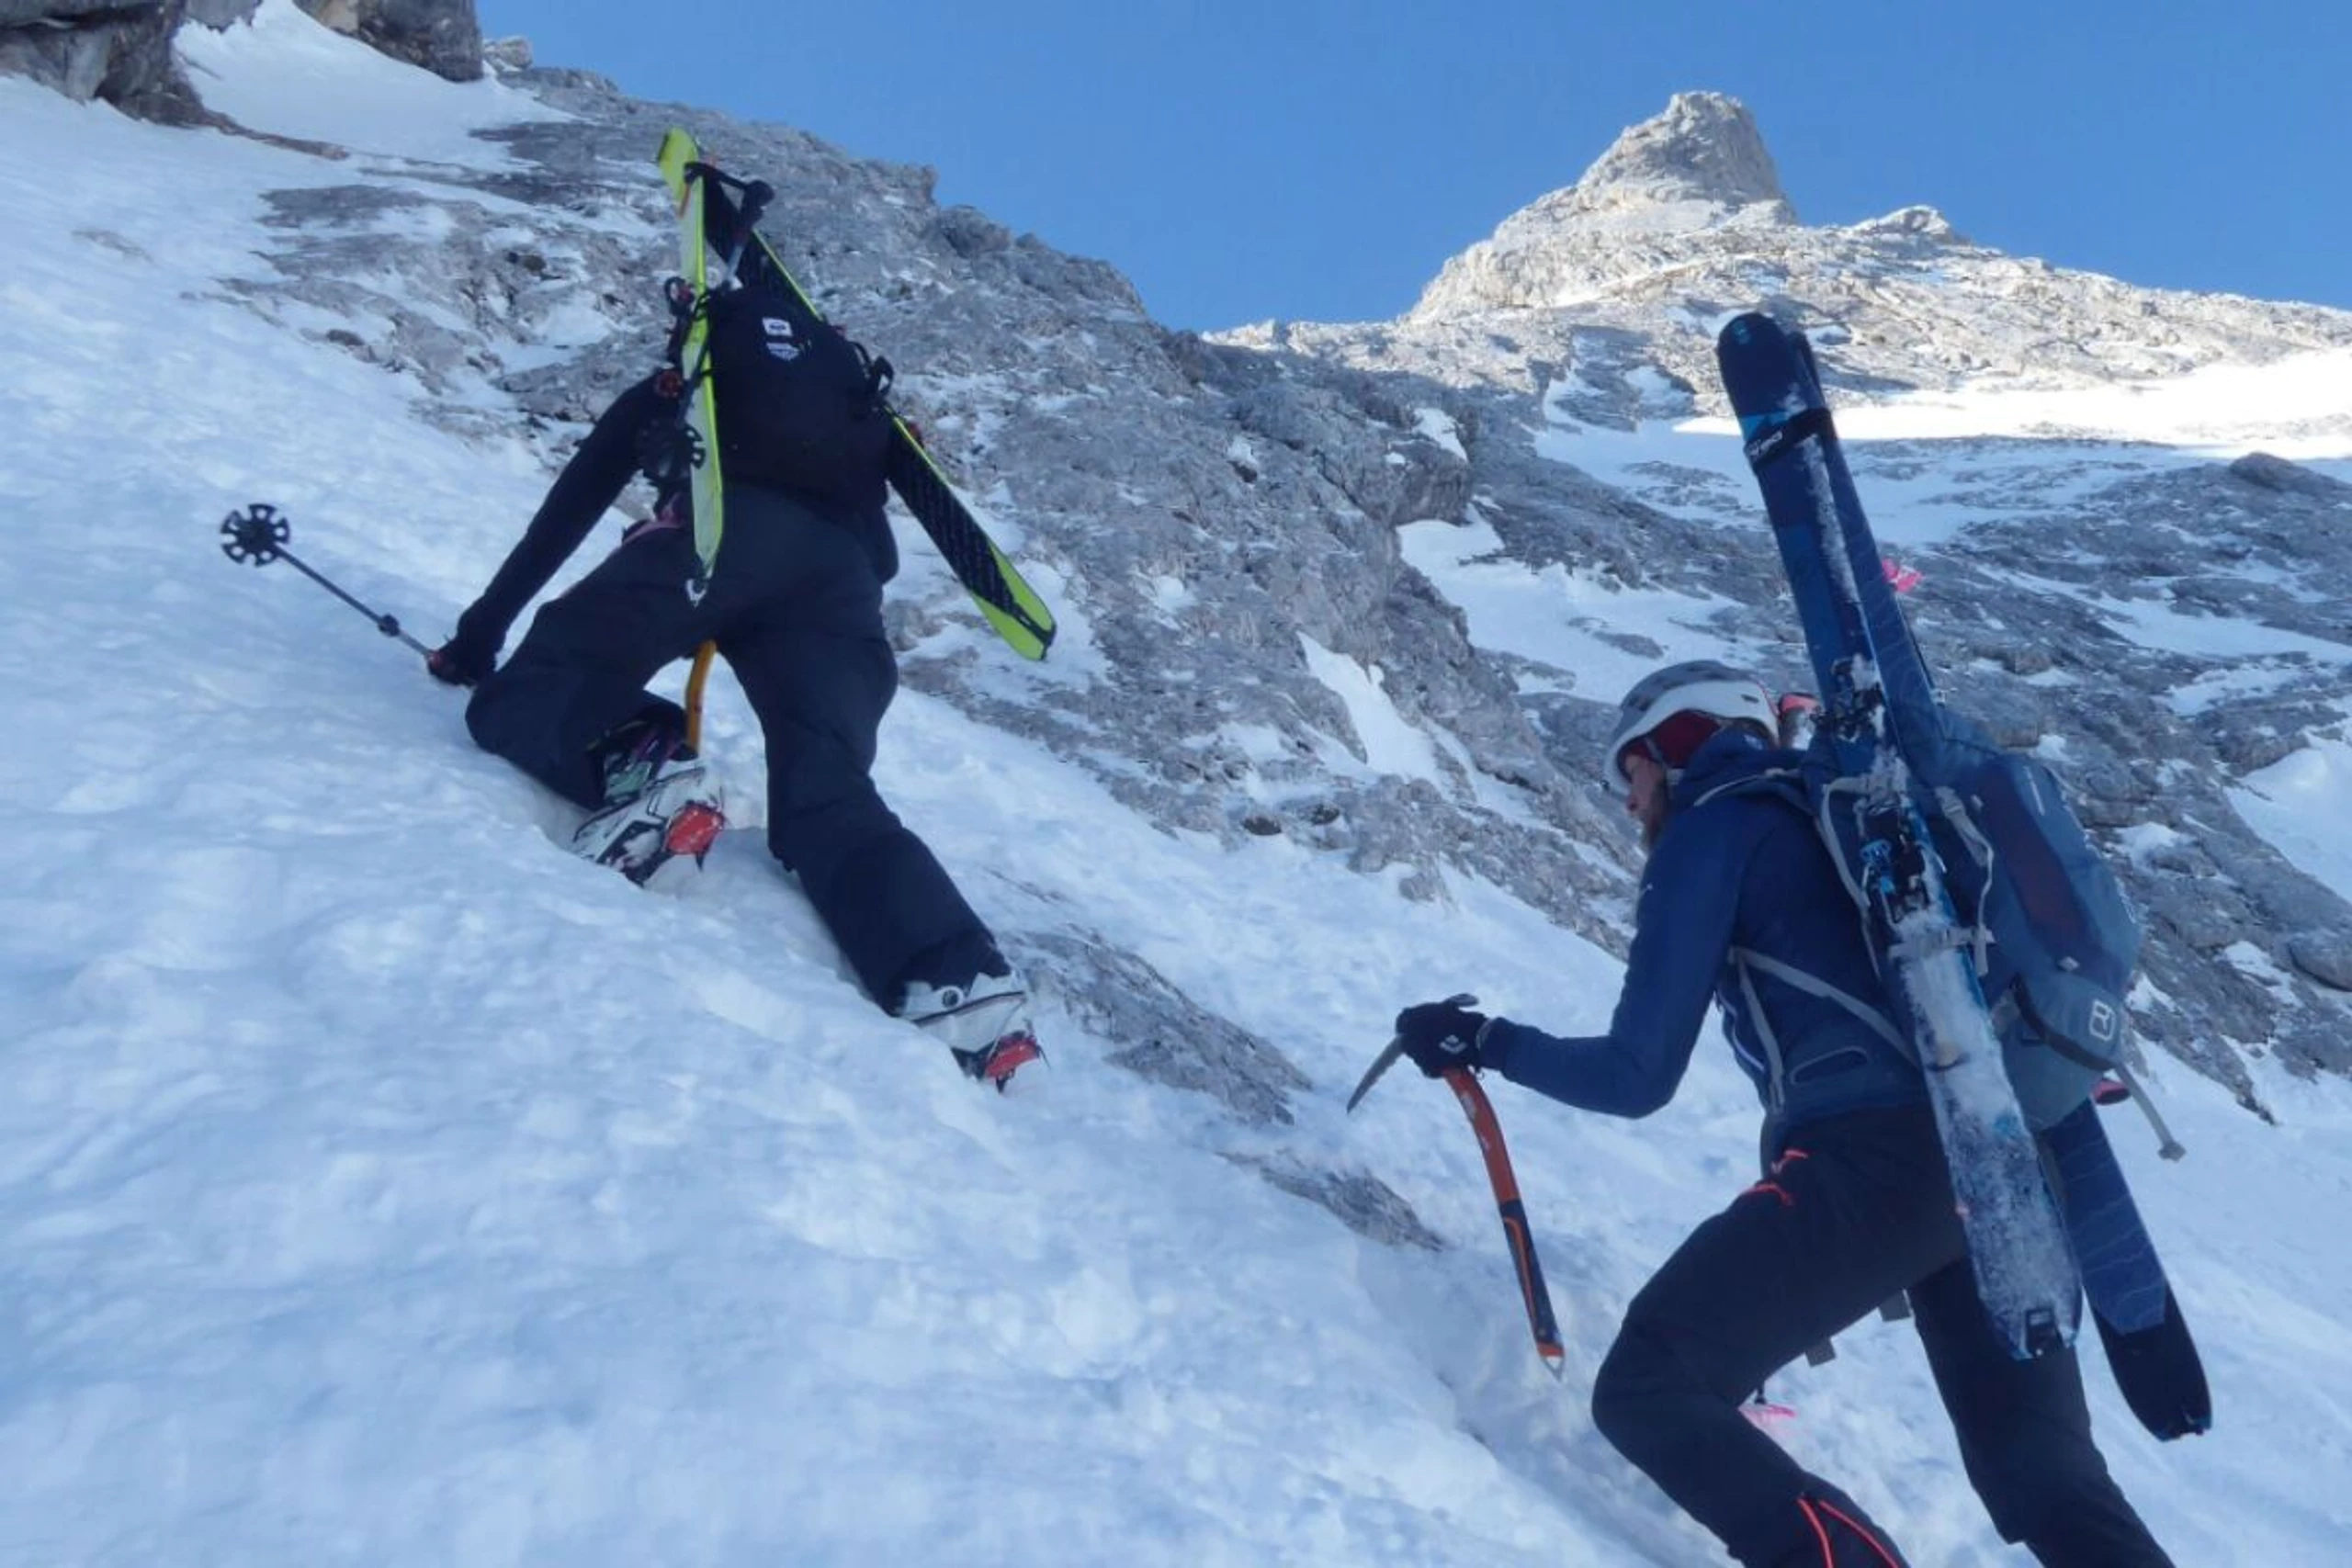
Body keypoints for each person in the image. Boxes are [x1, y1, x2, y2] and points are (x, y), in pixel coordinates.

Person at [1390, 660, 2172, 1567]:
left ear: (1674, 743)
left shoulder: (1718, 827)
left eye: (1631, 773)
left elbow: (1636, 1075)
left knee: (1651, 1380)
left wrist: (1484, 1041)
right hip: (2005, 1156)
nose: (1631, 802)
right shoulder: (1847, 819)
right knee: (2047, 1477)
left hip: (1879, 1167)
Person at [425, 312, 1039, 1089]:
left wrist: (478, 641)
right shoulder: (857, 415)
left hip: (715, 536)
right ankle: (961, 984)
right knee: (831, 794)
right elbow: (888, 537)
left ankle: (644, 768)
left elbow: (570, 509)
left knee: (540, 683)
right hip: (841, 590)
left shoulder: (687, 385)